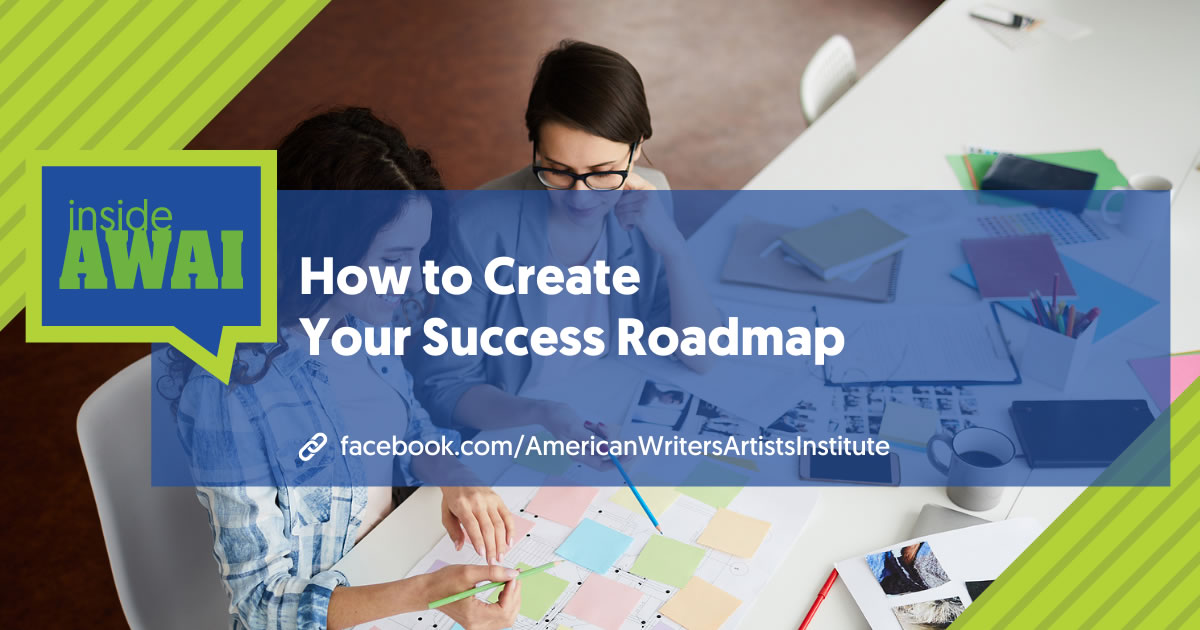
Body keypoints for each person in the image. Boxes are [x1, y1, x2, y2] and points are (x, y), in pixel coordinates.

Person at [172, 108, 521, 630]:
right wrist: (425, 593)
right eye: (393, 260)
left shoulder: (362, 317)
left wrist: (456, 476)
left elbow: (408, 428)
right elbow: (259, 605)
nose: (414, 282)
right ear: (323, 248)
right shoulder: (228, 392)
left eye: (418, 256)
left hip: (391, 565)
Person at [415, 41, 719, 466]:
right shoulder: (478, 227)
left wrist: (674, 249)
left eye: (603, 173)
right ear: (535, 147)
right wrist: (541, 414)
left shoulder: (649, 198)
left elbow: (701, 356)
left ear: (637, 147)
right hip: (516, 434)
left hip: (611, 415)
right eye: (557, 170)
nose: (580, 197)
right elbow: (446, 386)